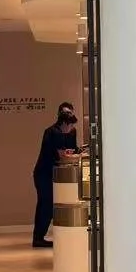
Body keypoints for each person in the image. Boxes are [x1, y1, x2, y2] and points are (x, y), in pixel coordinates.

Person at [31, 102, 79, 249]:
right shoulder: (51, 132)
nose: (70, 128)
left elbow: (72, 149)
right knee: (45, 205)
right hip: (44, 173)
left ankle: (42, 236)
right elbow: (59, 154)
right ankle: (38, 238)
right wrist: (69, 155)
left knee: (52, 205)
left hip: (57, 174)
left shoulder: (72, 132)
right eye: (68, 124)